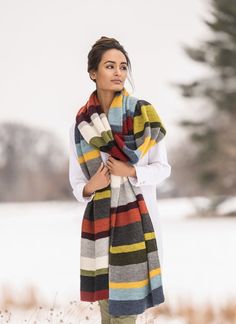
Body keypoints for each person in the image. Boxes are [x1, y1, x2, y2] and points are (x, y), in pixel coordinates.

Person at [69, 36, 171, 324]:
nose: (118, 73)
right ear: (93, 73)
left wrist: (132, 172)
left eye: (123, 67)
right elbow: (78, 184)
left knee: (124, 317)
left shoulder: (143, 115)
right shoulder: (81, 126)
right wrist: (93, 186)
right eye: (110, 66)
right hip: (100, 230)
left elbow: (163, 168)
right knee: (107, 317)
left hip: (137, 227)